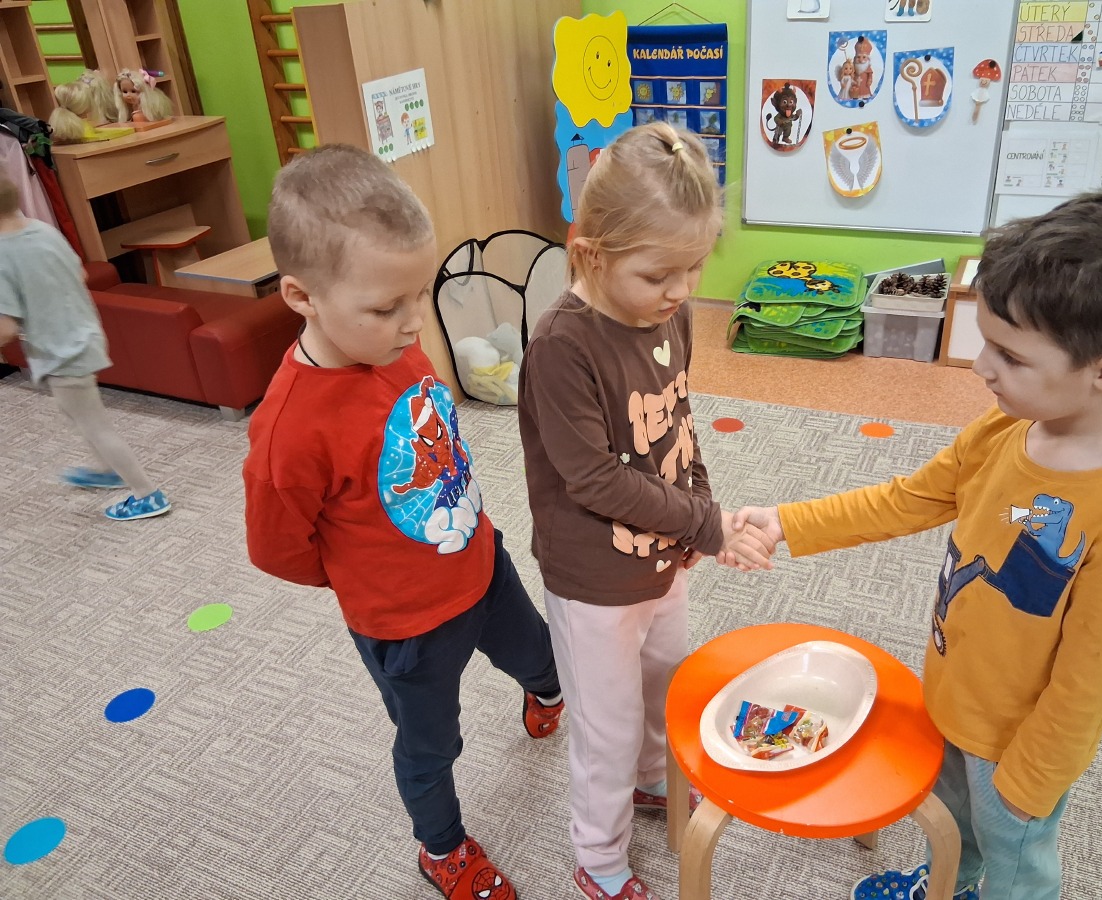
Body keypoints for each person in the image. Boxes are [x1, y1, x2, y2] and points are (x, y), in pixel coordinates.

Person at [724, 168, 1102, 900]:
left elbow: (1089, 685)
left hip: (1016, 753)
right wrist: (790, 522)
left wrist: (1027, 784)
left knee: (1014, 869)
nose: (981, 367)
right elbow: (910, 499)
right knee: (952, 829)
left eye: (1011, 356)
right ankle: (952, 881)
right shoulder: (1006, 429)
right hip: (948, 695)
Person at [242, 144, 563, 900]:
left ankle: (545, 693)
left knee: (539, 654)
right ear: (301, 296)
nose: (413, 321)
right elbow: (279, 550)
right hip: (404, 625)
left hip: (480, 562)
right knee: (431, 743)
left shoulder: (397, 345)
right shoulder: (290, 429)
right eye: (386, 307)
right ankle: (440, 848)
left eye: (417, 295)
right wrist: (367, 576)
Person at [518, 122, 774, 900]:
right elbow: (594, 478)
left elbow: (678, 419)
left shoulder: (670, 313)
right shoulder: (561, 346)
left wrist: (700, 504)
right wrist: (704, 524)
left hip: (664, 554)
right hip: (593, 579)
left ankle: (651, 780)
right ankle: (597, 858)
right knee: (608, 726)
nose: (682, 290)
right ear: (591, 255)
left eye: (695, 268)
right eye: (660, 273)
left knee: (665, 685)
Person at [0, 175, 171, 521]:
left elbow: (5, 329)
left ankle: (148, 494)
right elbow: (79, 276)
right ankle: (107, 470)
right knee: (76, 413)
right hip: (84, 333)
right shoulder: (43, 230)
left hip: (61, 352)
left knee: (95, 425)